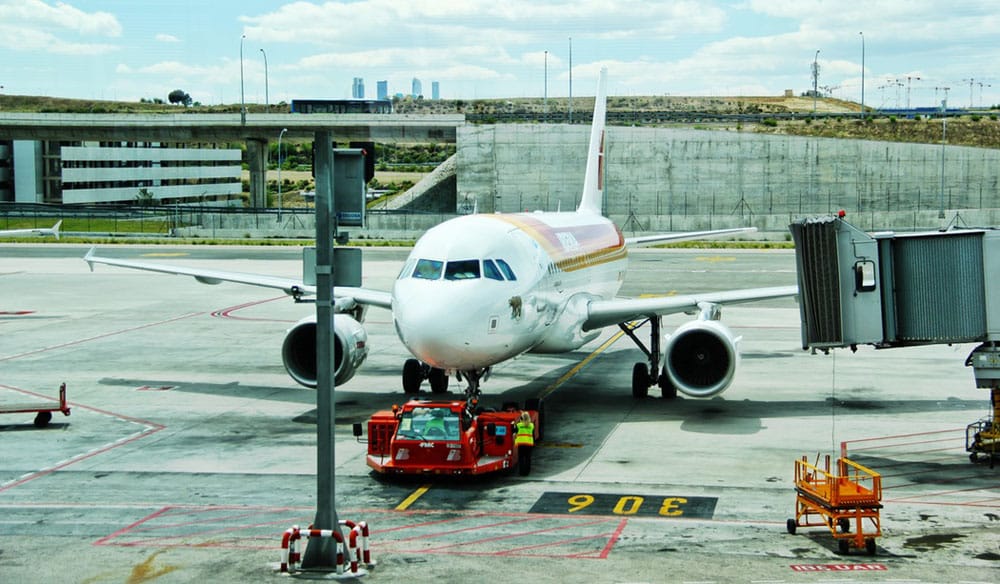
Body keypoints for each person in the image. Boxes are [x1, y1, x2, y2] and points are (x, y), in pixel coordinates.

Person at [514, 411, 535, 476]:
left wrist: (514, 423)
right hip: (529, 444)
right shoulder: (531, 425)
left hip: (521, 444)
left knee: (521, 458)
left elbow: (514, 431)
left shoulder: (519, 425)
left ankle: (521, 472)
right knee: (528, 458)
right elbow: (533, 434)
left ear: (521, 418)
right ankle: (527, 472)